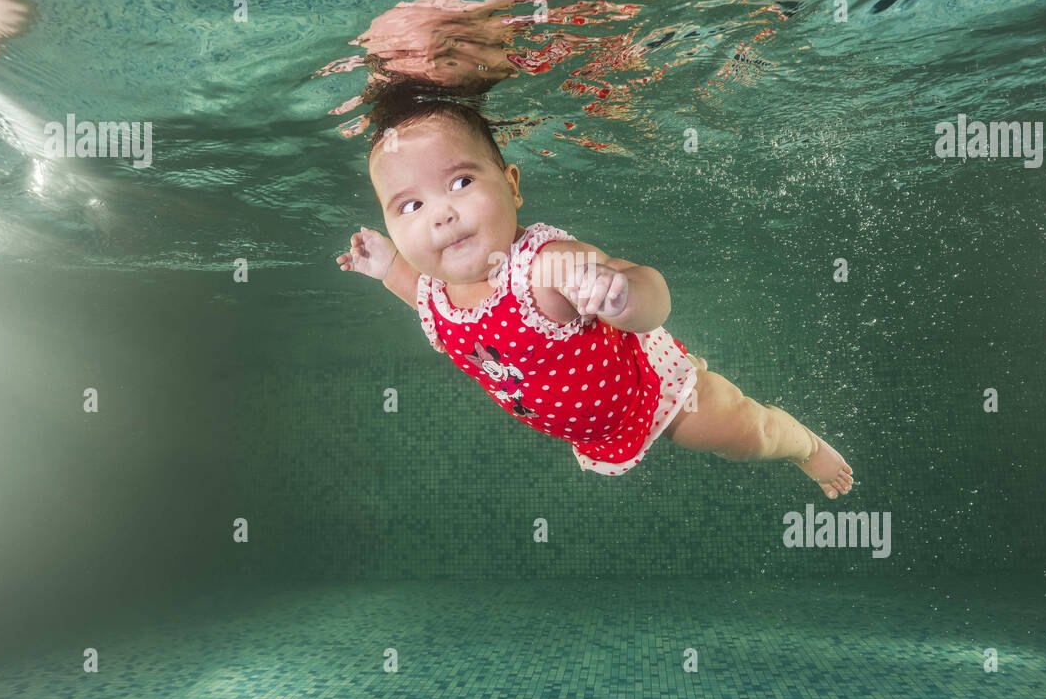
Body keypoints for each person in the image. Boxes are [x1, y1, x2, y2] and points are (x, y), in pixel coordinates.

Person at [336, 96, 853, 497]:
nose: (440, 214)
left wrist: (620, 295)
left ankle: (803, 445)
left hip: (651, 395)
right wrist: (385, 268)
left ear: (512, 186)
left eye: (462, 181)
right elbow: (415, 292)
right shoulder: (435, 295)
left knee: (744, 436)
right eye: (409, 207)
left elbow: (651, 293)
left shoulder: (544, 267)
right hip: (593, 426)